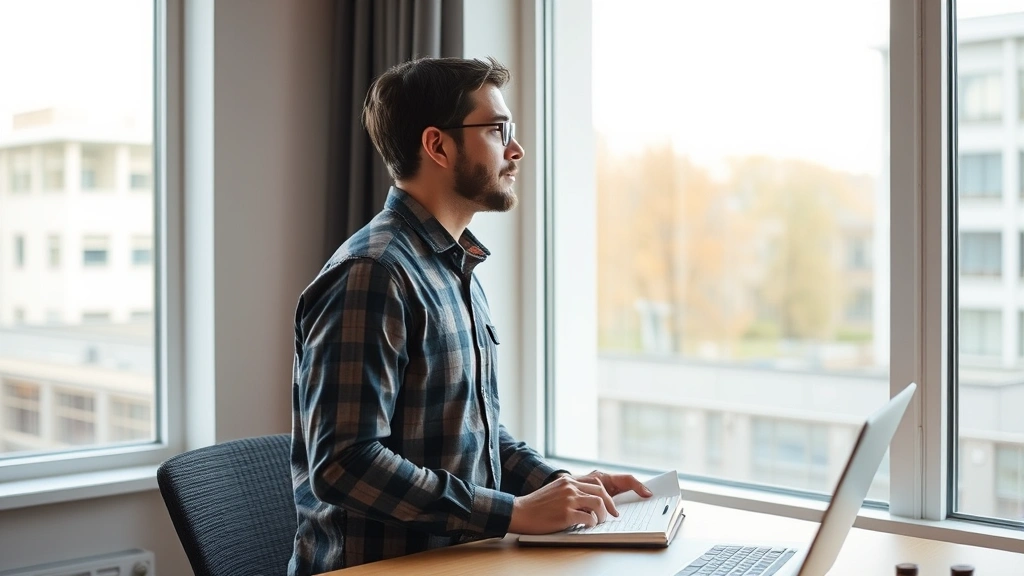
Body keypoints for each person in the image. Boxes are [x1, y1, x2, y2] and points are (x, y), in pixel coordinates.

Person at [288, 56, 652, 575]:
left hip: (462, 562)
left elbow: (471, 433)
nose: (516, 148)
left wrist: (561, 488)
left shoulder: (454, 266)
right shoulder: (373, 273)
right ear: (437, 145)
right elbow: (344, 464)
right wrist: (514, 512)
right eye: (497, 130)